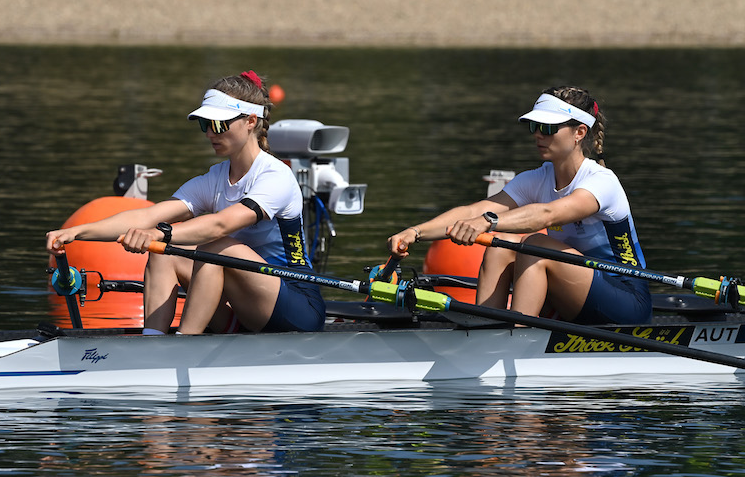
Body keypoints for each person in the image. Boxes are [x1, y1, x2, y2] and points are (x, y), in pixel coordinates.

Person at [47, 70, 326, 335]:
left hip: (297, 304)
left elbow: (221, 224)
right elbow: (148, 216)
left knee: (213, 245)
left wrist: (160, 233)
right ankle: (152, 341)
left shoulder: (276, 175)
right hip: (244, 303)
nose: (209, 134)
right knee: (163, 252)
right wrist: (77, 232)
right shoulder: (215, 177)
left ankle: (185, 343)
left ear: (251, 121)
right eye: (205, 125)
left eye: (218, 124)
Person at [388, 86, 652, 324]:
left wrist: (487, 222)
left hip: (626, 301)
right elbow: (473, 211)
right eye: (534, 127)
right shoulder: (537, 179)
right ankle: (486, 331)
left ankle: (518, 336)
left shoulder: (601, 181)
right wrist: (415, 232)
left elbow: (548, 214)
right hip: (575, 293)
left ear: (579, 133)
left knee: (536, 244)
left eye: (548, 128)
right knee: (501, 247)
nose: (538, 135)